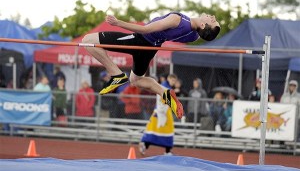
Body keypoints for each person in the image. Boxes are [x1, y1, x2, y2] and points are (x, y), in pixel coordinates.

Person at [82, 12, 221, 119]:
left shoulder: (178, 20)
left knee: (87, 40)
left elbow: (145, 29)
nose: (213, 16)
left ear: (203, 25)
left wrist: (118, 22)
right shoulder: (194, 36)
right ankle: (164, 92)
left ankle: (116, 74)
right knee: (135, 80)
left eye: (213, 20)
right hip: (151, 48)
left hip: (139, 41)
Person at [139, 74, 178, 156]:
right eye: (172, 80)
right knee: (154, 129)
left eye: (174, 81)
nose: (173, 82)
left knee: (167, 130)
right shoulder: (164, 86)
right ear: (169, 78)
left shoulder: (168, 87)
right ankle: (145, 146)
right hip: (161, 111)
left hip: (166, 111)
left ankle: (167, 151)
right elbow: (162, 99)